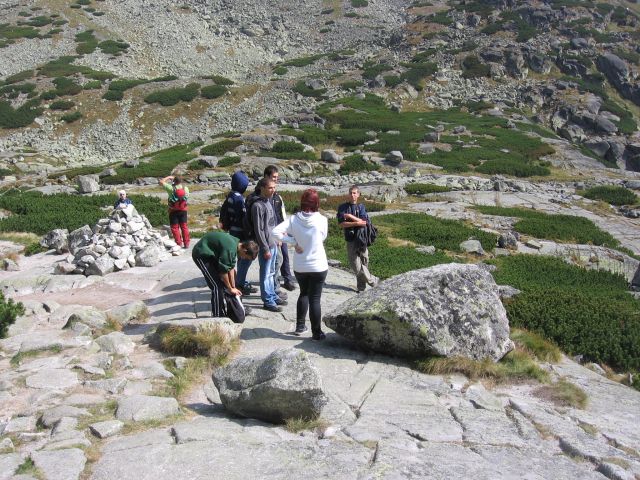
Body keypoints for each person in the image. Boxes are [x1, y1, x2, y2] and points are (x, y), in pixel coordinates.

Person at [273, 189, 328, 340]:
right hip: (318, 264)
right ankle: (317, 333)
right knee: (315, 298)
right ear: (317, 203)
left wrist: (293, 241)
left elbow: (275, 232)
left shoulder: (293, 219)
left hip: (300, 265)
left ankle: (299, 326)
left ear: (302, 202)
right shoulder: (322, 220)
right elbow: (323, 237)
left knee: (304, 293)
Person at [192, 231, 258, 320]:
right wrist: (230, 288)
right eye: (245, 257)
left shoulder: (236, 246)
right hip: (201, 255)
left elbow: (231, 268)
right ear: (245, 250)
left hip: (212, 255)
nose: (243, 258)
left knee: (227, 286)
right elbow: (223, 272)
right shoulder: (230, 248)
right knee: (216, 286)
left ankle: (234, 310)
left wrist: (233, 286)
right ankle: (218, 315)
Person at [219, 170, 256, 296]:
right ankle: (240, 283)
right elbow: (243, 216)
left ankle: (240, 281)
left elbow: (224, 212)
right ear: (242, 185)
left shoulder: (230, 196)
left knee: (239, 257)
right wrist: (249, 231)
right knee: (244, 257)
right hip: (240, 231)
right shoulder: (239, 198)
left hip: (232, 230)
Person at [251, 177, 286, 312]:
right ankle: (268, 300)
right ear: (262, 188)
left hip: (273, 244)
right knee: (265, 274)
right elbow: (259, 230)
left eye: (274, 187)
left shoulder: (268, 202)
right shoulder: (257, 206)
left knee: (272, 272)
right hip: (266, 246)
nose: (273, 190)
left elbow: (272, 225)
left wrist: (277, 239)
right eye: (270, 188)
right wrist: (265, 248)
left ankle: (272, 295)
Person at [337, 185, 379, 293]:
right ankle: (373, 280)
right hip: (350, 239)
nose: (352, 195)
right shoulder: (342, 207)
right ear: (348, 194)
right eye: (351, 193)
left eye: (354, 193)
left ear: (358, 195)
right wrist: (356, 223)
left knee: (364, 261)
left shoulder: (361, 207)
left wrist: (350, 217)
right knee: (355, 265)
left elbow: (364, 222)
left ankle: (361, 288)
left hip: (362, 239)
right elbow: (341, 223)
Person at [264, 165, 297, 292]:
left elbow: (282, 215)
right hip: (268, 233)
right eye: (274, 177)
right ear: (266, 176)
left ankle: (287, 279)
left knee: (284, 255)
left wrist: (285, 230)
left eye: (277, 177)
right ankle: (273, 283)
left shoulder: (278, 197)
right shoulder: (261, 196)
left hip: (280, 231)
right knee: (273, 260)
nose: (276, 179)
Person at [160, 175, 190, 248]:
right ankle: (186, 243)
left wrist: (168, 177)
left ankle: (178, 243)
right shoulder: (185, 188)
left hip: (173, 210)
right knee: (184, 227)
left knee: (175, 228)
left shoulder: (171, 188)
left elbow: (161, 182)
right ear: (181, 181)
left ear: (174, 181)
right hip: (183, 210)